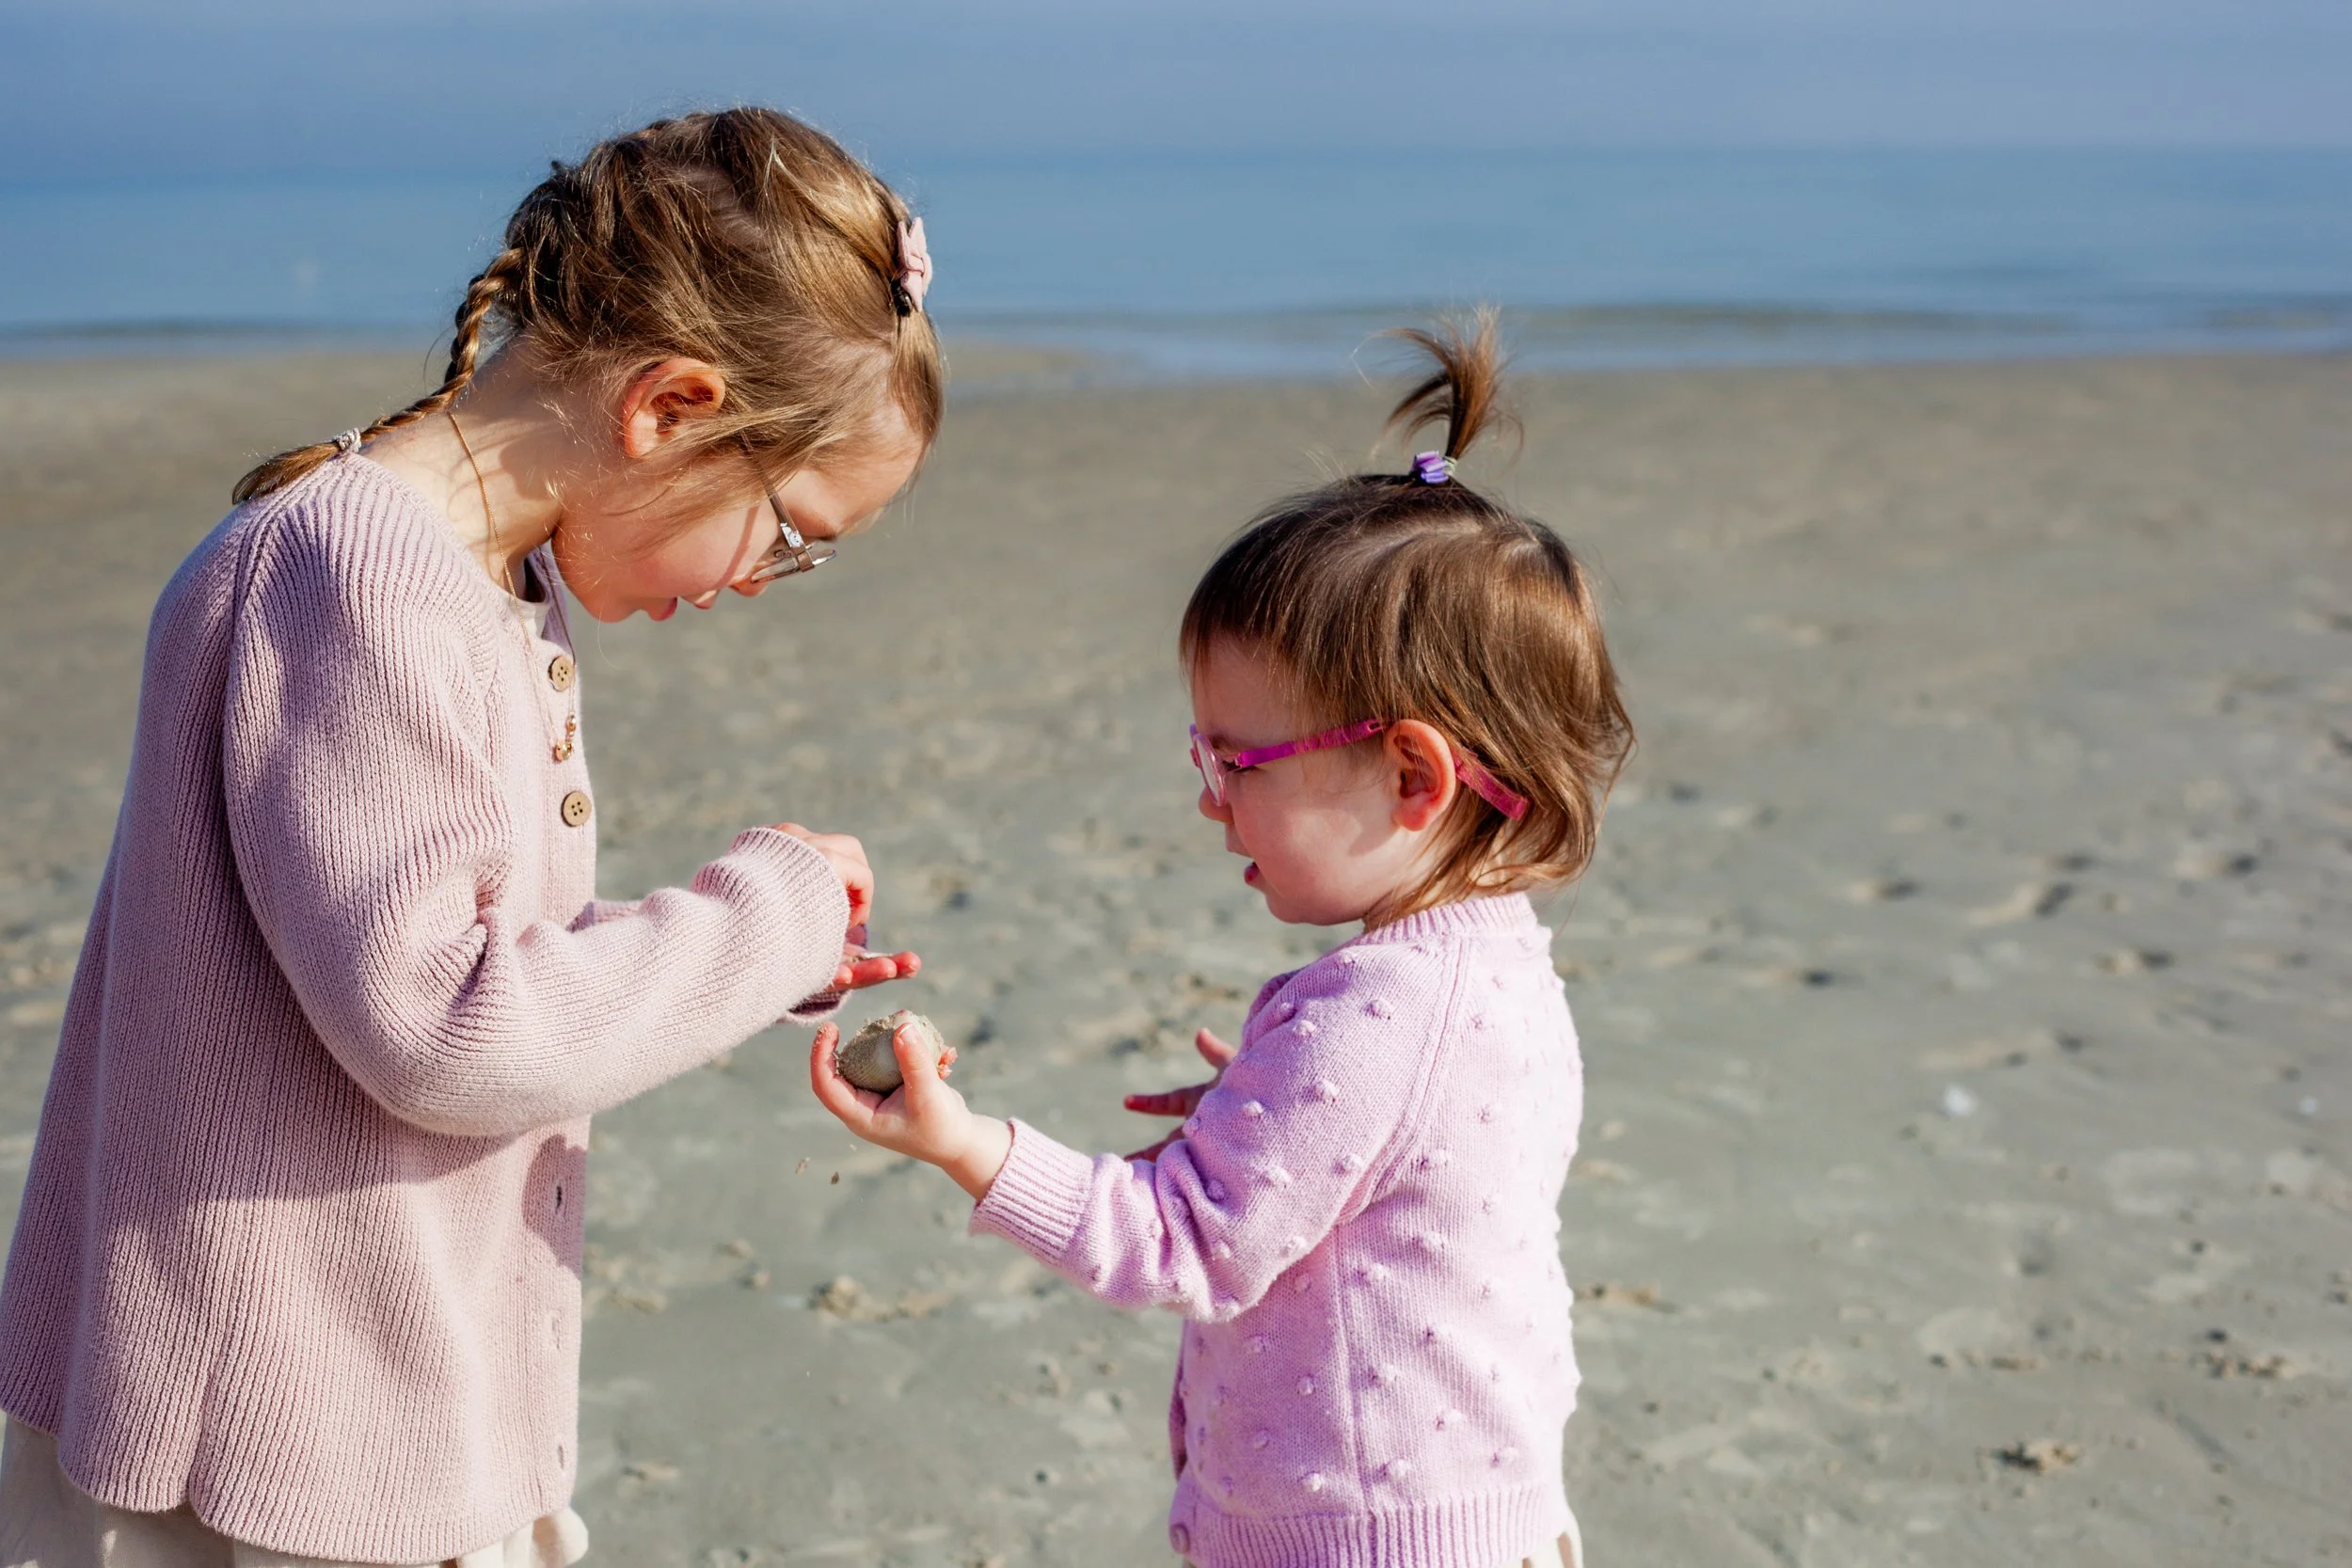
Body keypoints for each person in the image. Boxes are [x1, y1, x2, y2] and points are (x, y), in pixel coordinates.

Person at [0, 108, 940, 1568]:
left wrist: (760, 954)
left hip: (365, 1398)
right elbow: (446, 1027)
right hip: (271, 1447)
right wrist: (762, 918)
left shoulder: (467, 570)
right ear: (672, 407)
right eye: (793, 533)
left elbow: (435, 950)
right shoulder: (358, 576)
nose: (771, 580)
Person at [812, 313, 1634, 1568]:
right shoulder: (1499, 963)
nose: (1209, 796)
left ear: (1415, 773)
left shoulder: (1372, 1011)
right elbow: (1429, 1168)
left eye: (1235, 758)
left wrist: (965, 1145)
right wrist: (1277, 1106)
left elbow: (1186, 1241)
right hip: (1489, 1515)